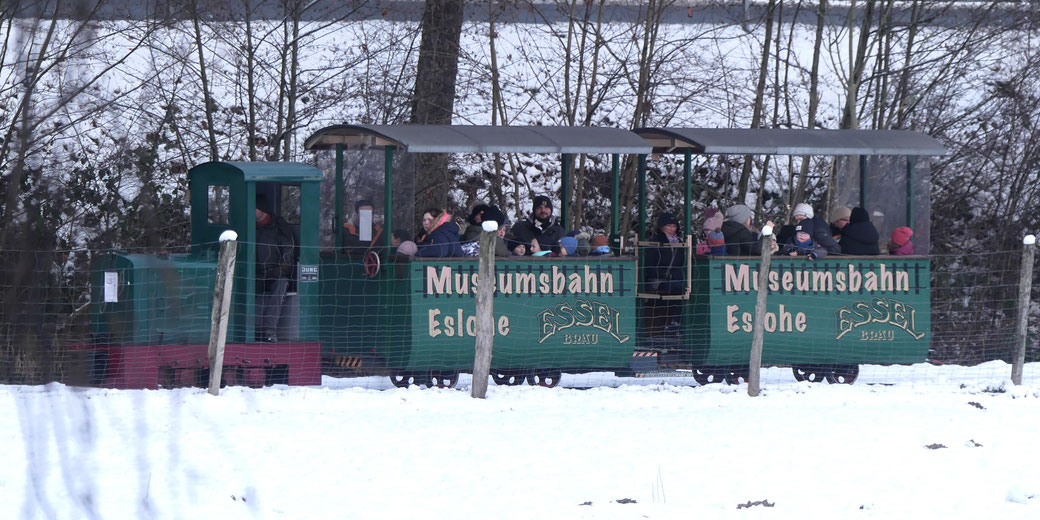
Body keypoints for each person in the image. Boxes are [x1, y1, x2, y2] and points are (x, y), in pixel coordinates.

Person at [255, 193, 299, 342]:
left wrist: (278, 271)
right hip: (254, 274)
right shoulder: (248, 226)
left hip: (275, 274)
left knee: (281, 284)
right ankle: (247, 328)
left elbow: (288, 254)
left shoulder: (279, 228)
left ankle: (269, 330)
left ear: (261, 210)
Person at [776, 203, 840, 255]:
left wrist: (812, 252)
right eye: (796, 220)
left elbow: (835, 249)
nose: (799, 222)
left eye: (801, 219)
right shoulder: (798, 230)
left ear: (809, 218)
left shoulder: (819, 231)